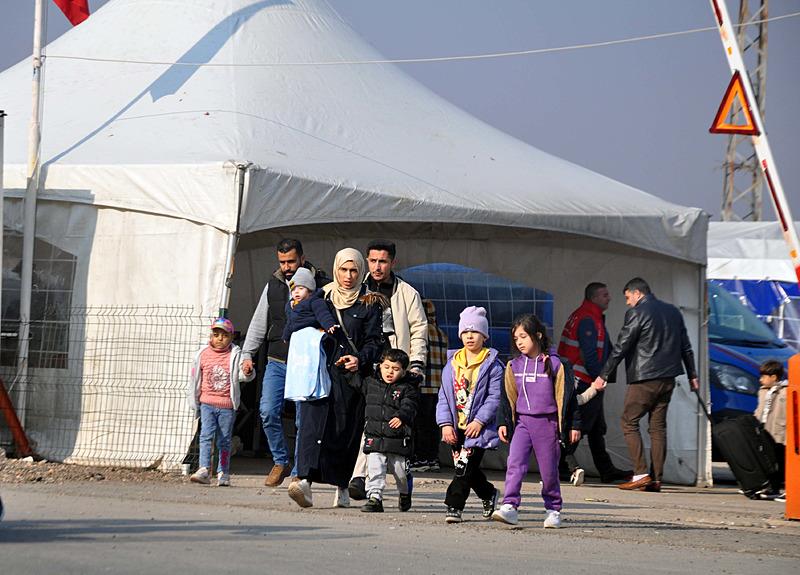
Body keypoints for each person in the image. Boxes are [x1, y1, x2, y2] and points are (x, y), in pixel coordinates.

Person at [288, 248, 384, 509]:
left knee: (344, 429)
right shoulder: (323, 296)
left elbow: (376, 341)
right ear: (335, 269)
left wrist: (360, 359)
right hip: (318, 371)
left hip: (349, 377)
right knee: (311, 424)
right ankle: (305, 480)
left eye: (354, 270)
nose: (349, 276)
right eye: (343, 269)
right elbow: (297, 321)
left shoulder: (370, 302)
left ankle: (342, 485)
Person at [493, 314, 600, 528]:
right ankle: (510, 506)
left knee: (548, 469)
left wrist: (574, 425)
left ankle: (553, 510)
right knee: (515, 464)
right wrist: (503, 422)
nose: (520, 342)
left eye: (523, 336)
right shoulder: (513, 365)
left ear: (538, 335)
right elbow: (506, 397)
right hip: (522, 423)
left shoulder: (556, 364)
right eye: (516, 338)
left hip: (547, 424)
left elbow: (568, 398)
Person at [593, 277, 699, 492]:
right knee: (658, 428)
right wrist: (692, 375)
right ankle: (656, 479)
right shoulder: (672, 312)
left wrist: (603, 375)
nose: (627, 302)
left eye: (627, 297)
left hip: (644, 378)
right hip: (669, 378)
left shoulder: (637, 313)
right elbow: (686, 346)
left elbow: (621, 346)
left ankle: (641, 474)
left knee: (628, 422)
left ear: (637, 293)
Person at [241, 239, 328, 487]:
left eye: (291, 261)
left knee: (303, 421)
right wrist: (248, 354)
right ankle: (281, 460)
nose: (287, 267)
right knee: (267, 411)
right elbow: (260, 321)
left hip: (306, 363)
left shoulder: (322, 284)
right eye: (282, 262)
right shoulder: (273, 284)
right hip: (277, 358)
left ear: (302, 258)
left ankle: (299, 472)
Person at [349, 239, 428, 500]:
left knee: (391, 426)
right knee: (369, 422)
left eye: (382, 261)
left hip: (396, 366)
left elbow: (418, 330)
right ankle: (360, 478)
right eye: (372, 261)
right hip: (367, 364)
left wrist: (415, 364)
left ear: (392, 262)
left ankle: (397, 476)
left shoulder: (407, 293)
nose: (377, 266)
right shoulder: (358, 290)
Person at [557, 282, 632, 486]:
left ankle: (606, 470)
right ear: (594, 298)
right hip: (584, 381)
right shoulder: (588, 320)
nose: (609, 298)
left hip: (582, 378)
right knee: (580, 425)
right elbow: (589, 354)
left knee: (597, 427)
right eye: (605, 295)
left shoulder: (586, 315)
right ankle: (561, 465)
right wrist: (601, 376)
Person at [436, 306, 503, 524]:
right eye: (465, 332)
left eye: (474, 332)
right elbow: (444, 397)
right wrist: (445, 424)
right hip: (457, 427)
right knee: (466, 469)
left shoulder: (493, 365)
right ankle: (488, 493)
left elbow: (494, 398)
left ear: (484, 335)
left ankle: (454, 506)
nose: (470, 336)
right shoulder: (451, 364)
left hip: (478, 428)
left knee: (464, 468)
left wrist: (479, 420)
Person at [188, 318, 254, 487]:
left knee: (224, 439)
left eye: (224, 335)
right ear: (211, 336)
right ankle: (204, 468)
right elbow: (195, 378)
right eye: (216, 334)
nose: (219, 339)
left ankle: (223, 471)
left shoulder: (235, 354)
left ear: (231, 337)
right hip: (207, 403)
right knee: (205, 436)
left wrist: (247, 371)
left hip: (226, 405)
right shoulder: (202, 354)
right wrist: (194, 400)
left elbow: (242, 375)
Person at [359, 348, 421, 513]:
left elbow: (411, 404)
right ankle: (375, 497)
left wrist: (402, 416)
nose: (389, 372)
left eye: (395, 369)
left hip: (397, 439)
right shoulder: (371, 383)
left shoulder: (407, 388)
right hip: (374, 436)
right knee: (374, 469)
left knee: (400, 472)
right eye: (386, 367)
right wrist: (345, 369)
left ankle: (405, 493)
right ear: (380, 366)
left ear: (403, 371)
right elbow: (354, 381)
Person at [411, 299, 448, 472]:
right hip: (438, 386)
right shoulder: (441, 333)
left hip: (422, 385)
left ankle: (421, 459)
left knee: (420, 424)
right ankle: (433, 458)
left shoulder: (420, 332)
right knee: (433, 425)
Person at [755, 359, 787, 499]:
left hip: (780, 433)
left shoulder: (785, 391)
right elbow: (759, 410)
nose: (760, 379)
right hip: (766, 431)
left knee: (781, 462)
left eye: (763, 376)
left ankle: (783, 487)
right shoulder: (762, 392)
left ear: (774, 377)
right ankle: (772, 488)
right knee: (769, 461)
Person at [281, 267, 339, 341]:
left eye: (301, 288)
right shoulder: (290, 305)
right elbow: (290, 322)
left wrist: (329, 325)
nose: (296, 292)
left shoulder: (315, 301)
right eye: (293, 289)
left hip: (311, 336)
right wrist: (286, 336)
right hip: (297, 338)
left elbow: (323, 314)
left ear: (310, 291)